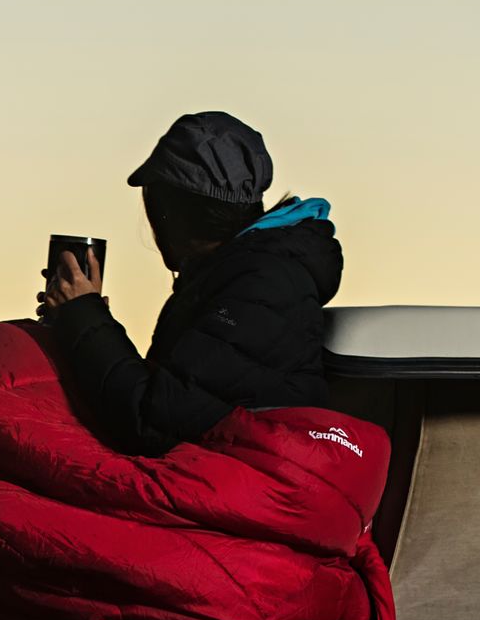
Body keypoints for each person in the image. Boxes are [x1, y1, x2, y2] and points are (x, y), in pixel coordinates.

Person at [38, 110, 341, 455]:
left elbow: (150, 422)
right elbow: (177, 398)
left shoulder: (260, 284)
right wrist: (87, 321)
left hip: (244, 486)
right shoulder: (242, 276)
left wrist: (85, 318)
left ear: (173, 211)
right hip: (231, 473)